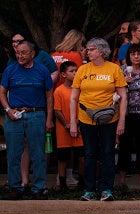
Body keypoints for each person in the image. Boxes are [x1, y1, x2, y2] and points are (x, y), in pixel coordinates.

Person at [70, 38, 128, 202]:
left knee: (108, 153)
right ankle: (89, 190)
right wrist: (74, 122)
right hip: (86, 118)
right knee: (89, 153)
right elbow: (74, 98)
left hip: (109, 119)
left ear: (102, 51)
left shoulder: (114, 69)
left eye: (92, 49)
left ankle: (106, 189)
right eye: (87, 50)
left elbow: (123, 96)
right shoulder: (82, 70)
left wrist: (122, 121)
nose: (88, 52)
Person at [0, 41, 54, 200]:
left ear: (32, 54)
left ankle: (39, 188)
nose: (20, 56)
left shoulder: (42, 70)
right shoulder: (10, 70)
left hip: (36, 114)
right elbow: (2, 93)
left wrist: (49, 119)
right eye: (17, 52)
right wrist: (8, 109)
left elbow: (49, 96)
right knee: (13, 153)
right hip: (15, 114)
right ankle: (15, 188)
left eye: (23, 52)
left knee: (38, 153)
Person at [117, 43, 140, 191]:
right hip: (127, 114)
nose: (136, 56)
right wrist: (124, 83)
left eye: (139, 53)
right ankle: (121, 181)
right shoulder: (122, 71)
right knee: (124, 147)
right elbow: (115, 92)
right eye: (133, 54)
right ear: (129, 56)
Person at [53, 61, 84, 192]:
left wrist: (77, 122)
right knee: (63, 157)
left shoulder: (80, 89)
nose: (75, 73)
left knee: (82, 156)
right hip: (63, 129)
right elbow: (57, 110)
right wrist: (66, 123)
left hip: (79, 127)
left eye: (76, 70)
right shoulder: (59, 90)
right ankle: (62, 183)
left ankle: (82, 182)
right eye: (72, 71)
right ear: (63, 74)